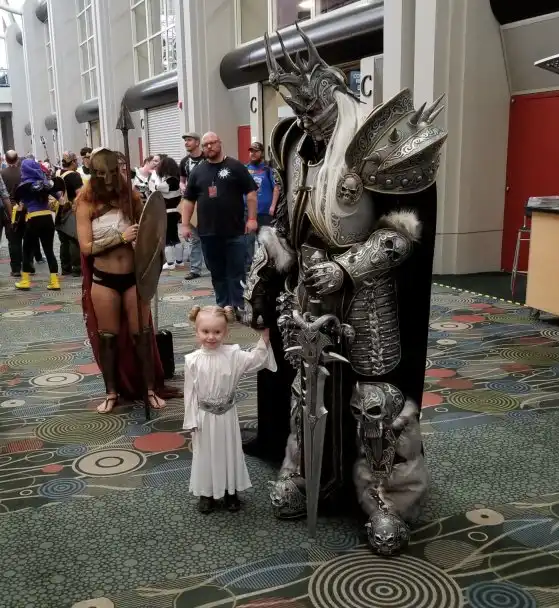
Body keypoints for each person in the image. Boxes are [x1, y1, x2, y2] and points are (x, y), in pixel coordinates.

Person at [242, 26, 446, 555]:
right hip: (306, 287)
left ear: (334, 91)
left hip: (366, 291)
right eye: (298, 108)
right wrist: (264, 274)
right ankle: (307, 471)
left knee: (375, 399)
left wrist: (348, 268)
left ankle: (385, 496)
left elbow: (403, 231)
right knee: (305, 389)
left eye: (314, 106)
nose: (308, 117)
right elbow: (285, 220)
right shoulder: (291, 141)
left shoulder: (375, 139)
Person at [75, 147, 179, 413]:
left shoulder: (130, 198)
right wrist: (120, 238)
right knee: (108, 338)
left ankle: (149, 390)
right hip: (104, 280)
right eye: (101, 174)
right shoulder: (85, 203)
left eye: (112, 173)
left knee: (142, 335)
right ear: (93, 174)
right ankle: (111, 393)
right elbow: (86, 247)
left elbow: (150, 230)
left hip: (133, 277)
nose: (108, 179)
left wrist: (142, 241)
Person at [183, 305, 276, 513]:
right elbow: (190, 393)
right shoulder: (192, 360)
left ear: (226, 332)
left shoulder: (233, 355)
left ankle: (230, 491)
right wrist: (191, 421)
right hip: (204, 417)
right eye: (205, 331)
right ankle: (206, 493)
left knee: (229, 452)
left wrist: (264, 340)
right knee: (205, 454)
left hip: (227, 416)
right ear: (196, 331)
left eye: (217, 332)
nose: (211, 337)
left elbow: (256, 360)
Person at [180, 131, 258, 320]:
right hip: (208, 232)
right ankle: (223, 306)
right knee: (217, 273)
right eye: (205, 144)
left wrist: (252, 219)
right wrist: (185, 224)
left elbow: (251, 193)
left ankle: (238, 306)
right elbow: (188, 200)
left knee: (237, 271)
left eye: (212, 143)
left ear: (219, 143)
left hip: (235, 231)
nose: (209, 147)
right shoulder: (197, 171)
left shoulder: (236, 166)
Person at [14, 159, 62, 291]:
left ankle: (25, 281)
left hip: (33, 219)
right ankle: (54, 281)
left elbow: (20, 204)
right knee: (49, 250)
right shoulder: (45, 183)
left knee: (27, 250)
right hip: (47, 218)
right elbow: (60, 197)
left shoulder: (24, 186)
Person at [244, 141, 280, 272]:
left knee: (265, 240)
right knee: (247, 241)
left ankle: (265, 265)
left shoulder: (268, 169)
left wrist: (273, 206)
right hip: (248, 211)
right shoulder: (245, 168)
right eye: (251, 151)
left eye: (256, 151)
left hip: (265, 212)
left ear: (261, 153)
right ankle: (248, 266)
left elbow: (276, 188)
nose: (253, 154)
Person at [179, 132, 204, 280]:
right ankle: (195, 269)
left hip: (207, 202)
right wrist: (183, 186)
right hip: (191, 203)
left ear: (197, 142)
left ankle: (214, 265)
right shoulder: (184, 162)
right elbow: (182, 180)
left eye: (189, 140)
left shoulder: (207, 159)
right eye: (185, 140)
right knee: (194, 238)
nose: (186, 143)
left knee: (211, 237)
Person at [56, 151, 84, 277]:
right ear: (72, 162)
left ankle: (65, 267)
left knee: (64, 241)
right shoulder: (74, 176)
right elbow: (80, 194)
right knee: (74, 239)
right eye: (76, 161)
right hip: (71, 210)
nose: (77, 163)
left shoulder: (57, 173)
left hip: (59, 210)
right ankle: (77, 268)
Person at [154, 156, 184, 270]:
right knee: (175, 236)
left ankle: (170, 263)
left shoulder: (169, 182)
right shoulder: (176, 180)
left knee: (167, 238)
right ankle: (179, 261)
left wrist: (154, 179)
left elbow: (156, 187)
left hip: (168, 213)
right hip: (175, 212)